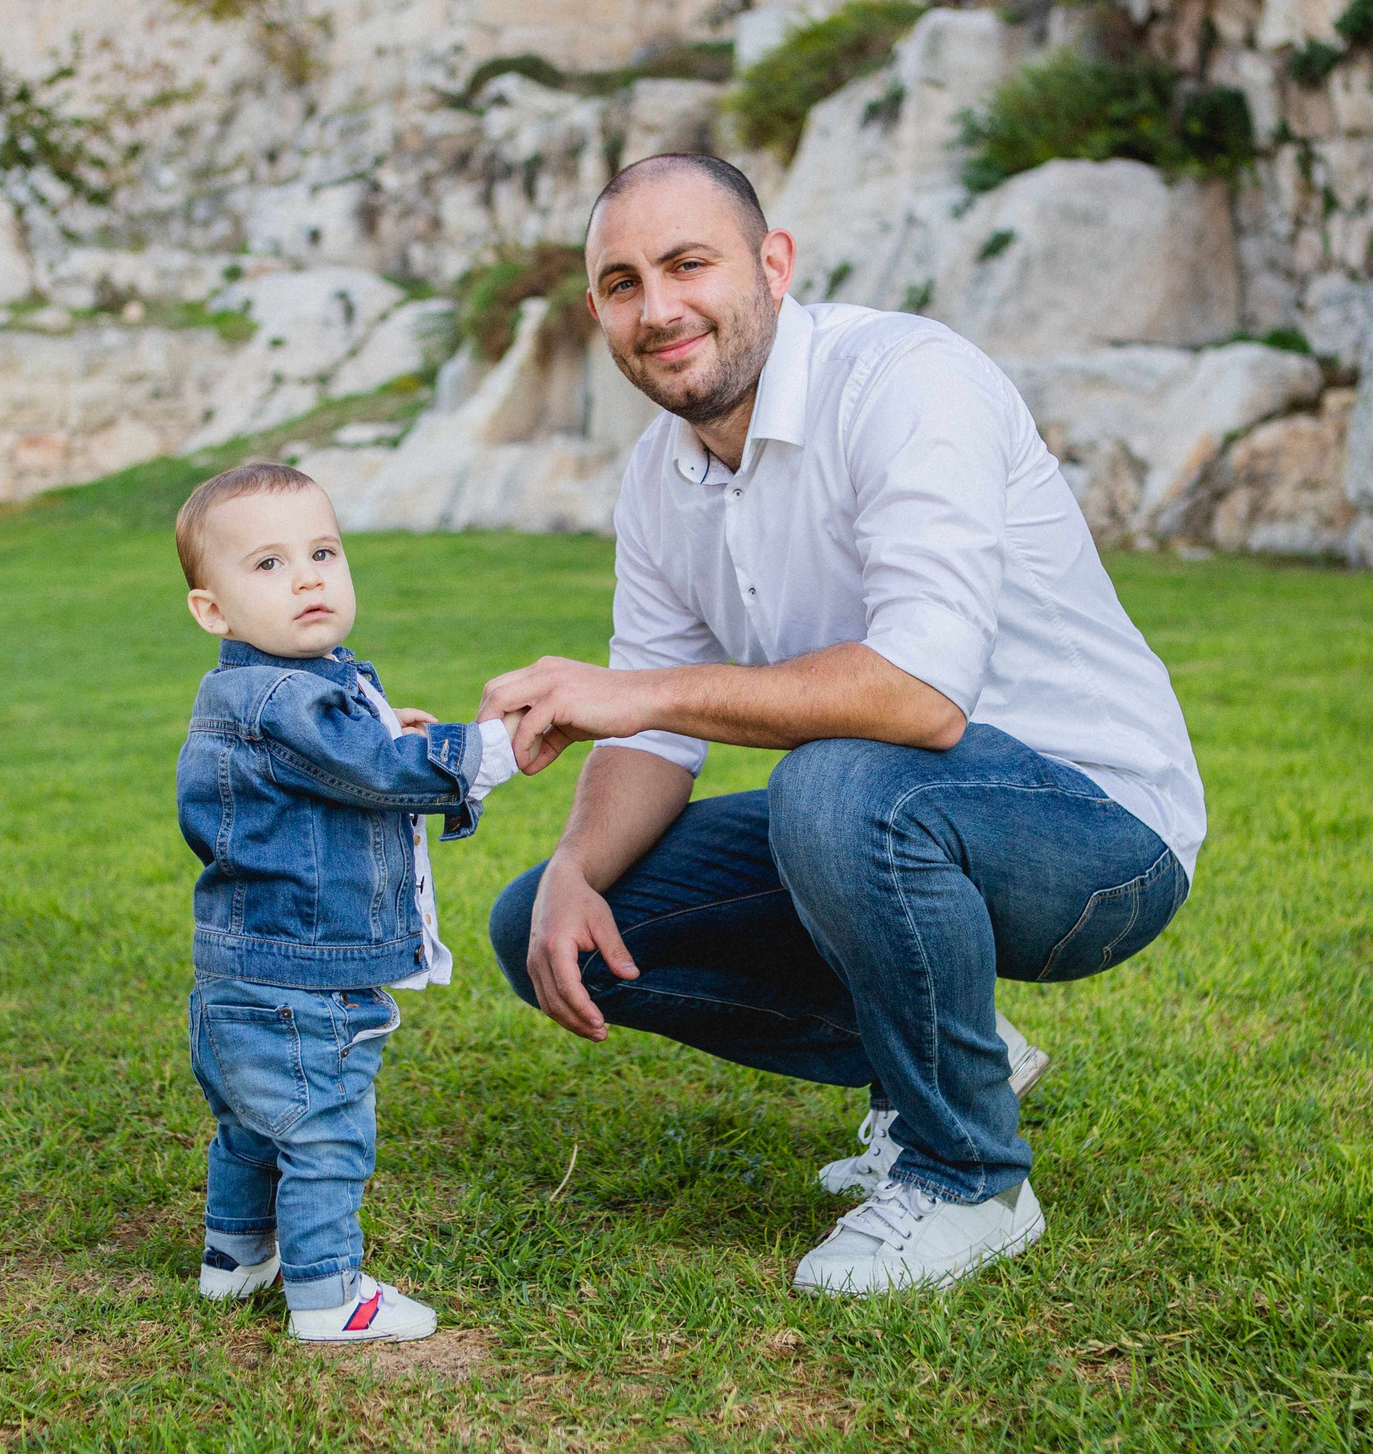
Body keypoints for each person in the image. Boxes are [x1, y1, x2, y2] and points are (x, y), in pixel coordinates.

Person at [478, 154, 1206, 1297]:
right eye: (622, 283)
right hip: (884, 817)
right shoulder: (657, 476)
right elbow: (654, 743)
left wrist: (640, 692)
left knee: (833, 780)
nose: (657, 308)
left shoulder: (909, 381)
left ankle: (971, 1179)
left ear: (773, 266)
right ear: (598, 314)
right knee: (553, 921)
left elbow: (916, 695)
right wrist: (574, 864)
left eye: (687, 264)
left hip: (1099, 837)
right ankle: (959, 1057)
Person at [173, 462, 521, 1342]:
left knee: (252, 1123)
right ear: (211, 610)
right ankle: (329, 1298)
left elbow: (340, 761)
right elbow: (372, 772)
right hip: (305, 978)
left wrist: (376, 730)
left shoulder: (267, 693)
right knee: (326, 1132)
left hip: (237, 973)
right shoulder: (285, 697)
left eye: (322, 551)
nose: (307, 577)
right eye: (267, 565)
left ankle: (236, 1255)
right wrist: (484, 750)